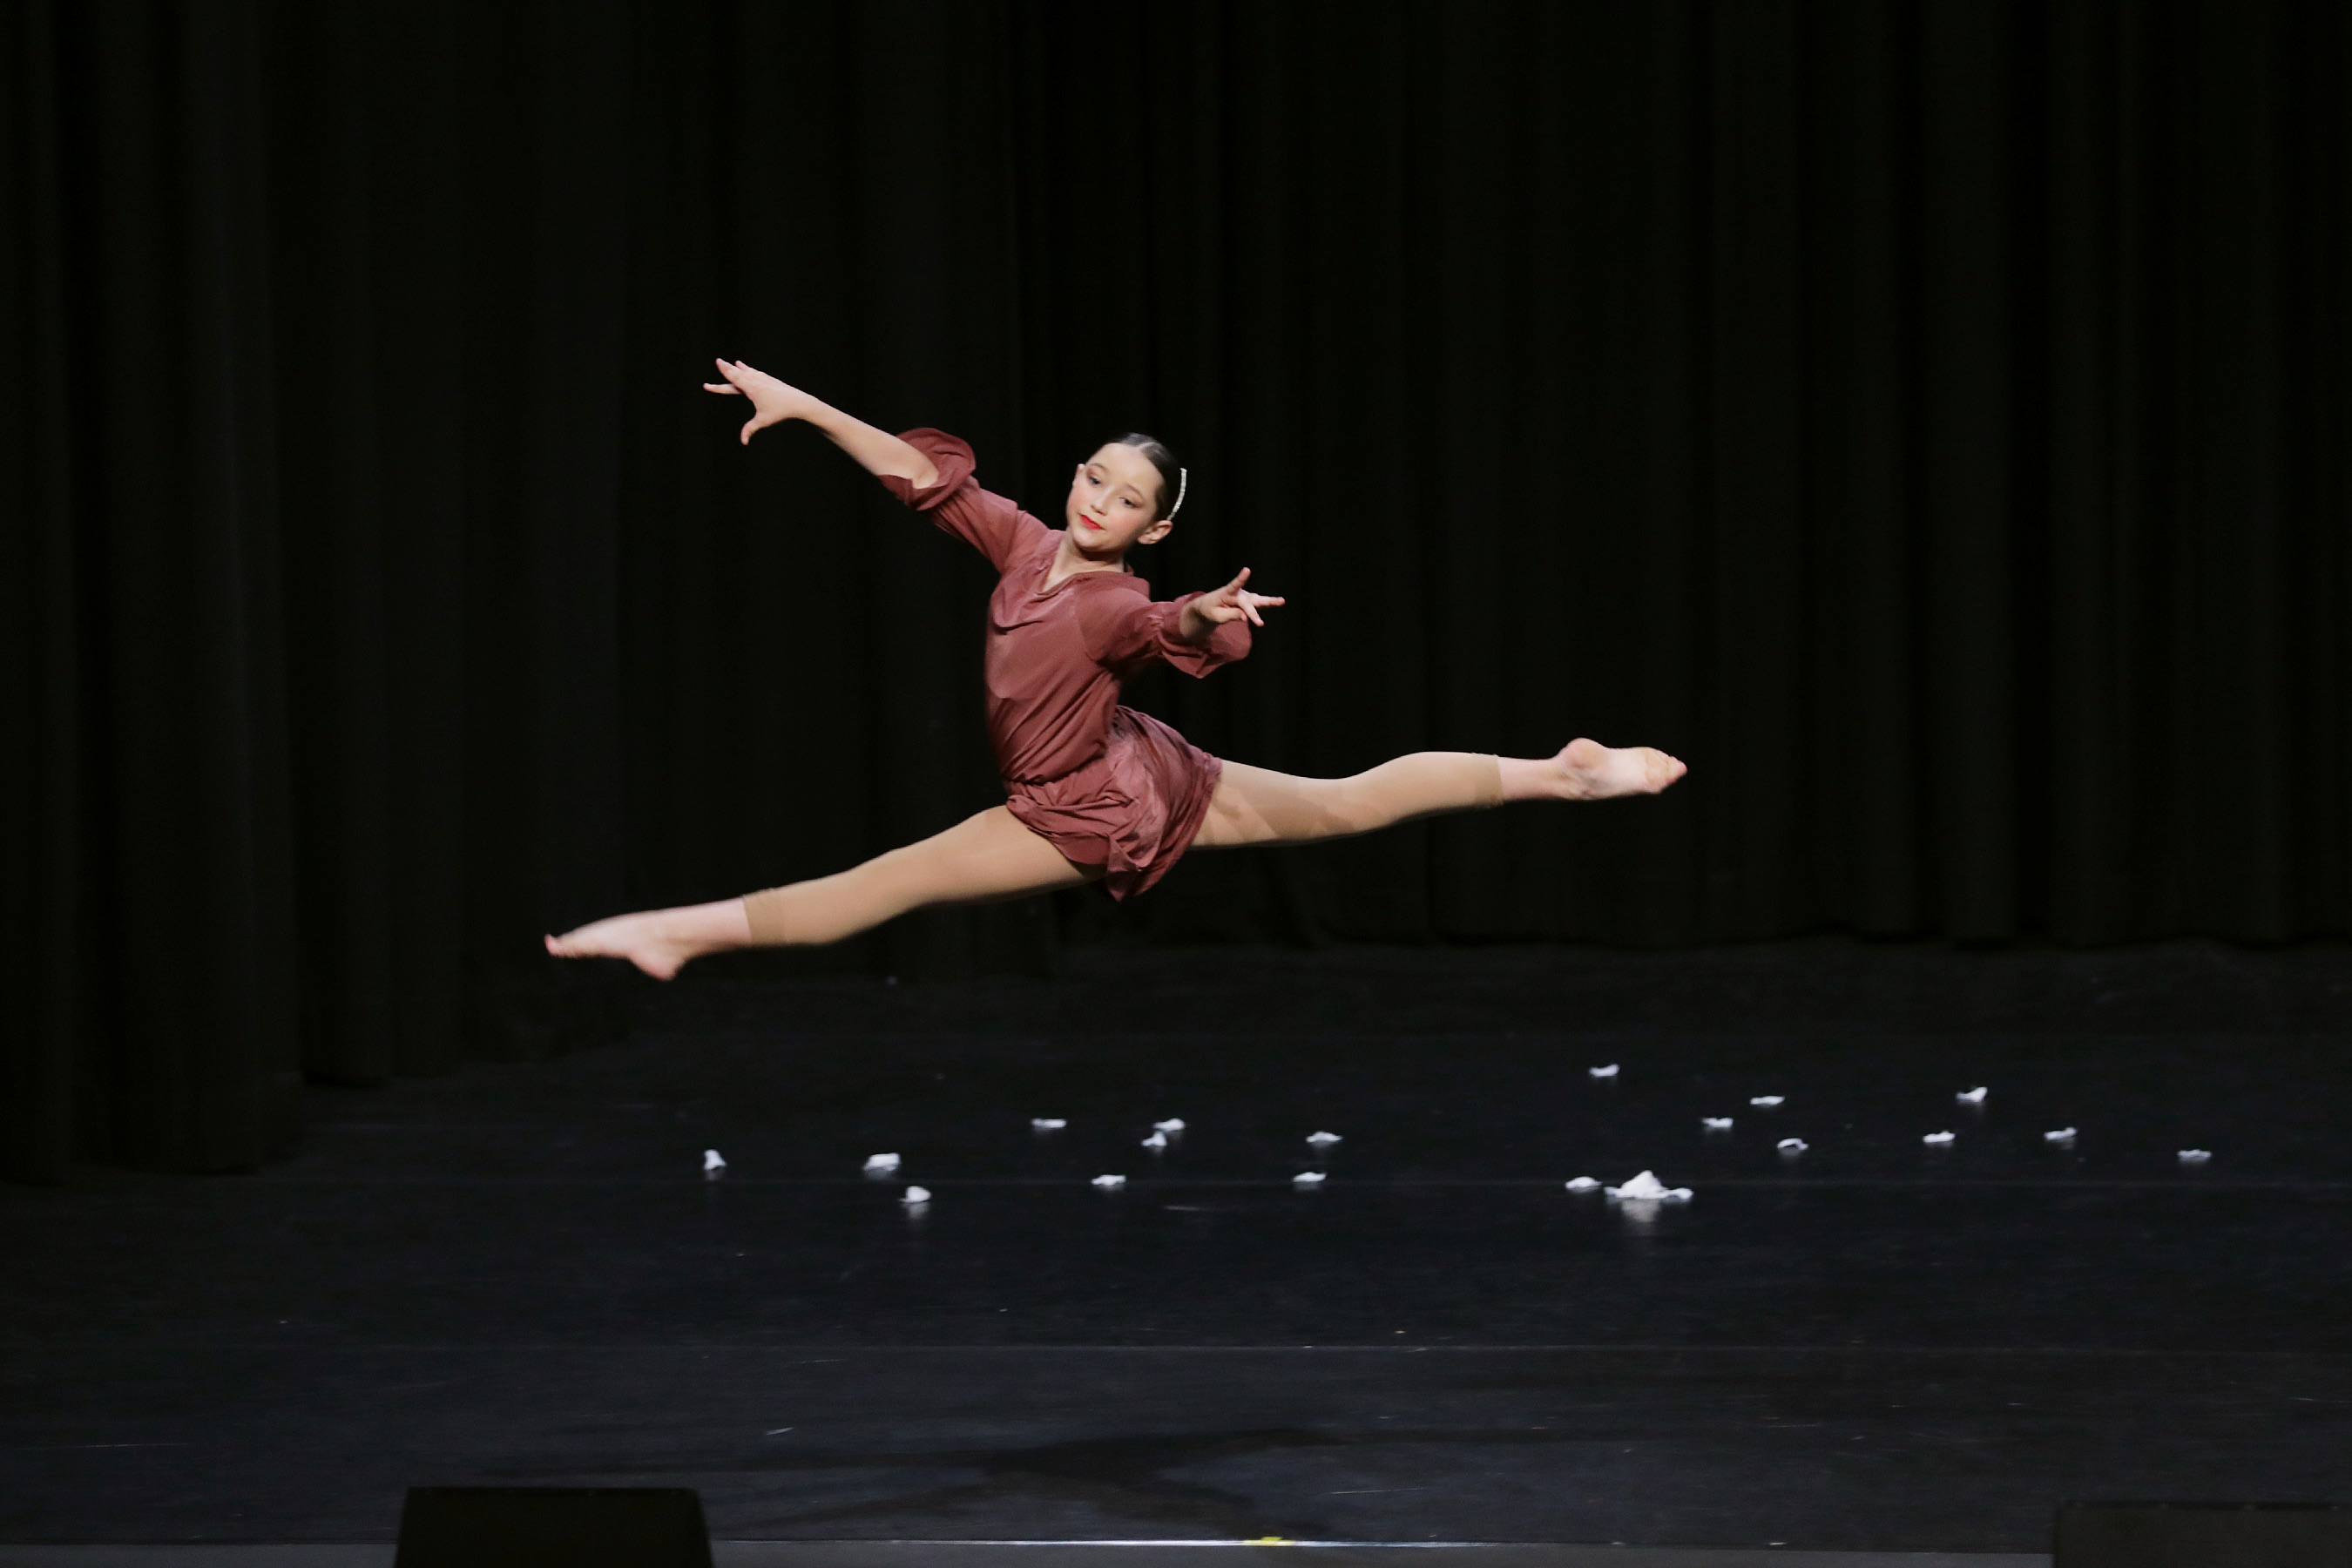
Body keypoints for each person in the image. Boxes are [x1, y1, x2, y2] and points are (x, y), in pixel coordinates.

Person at [546, 360, 1687, 979]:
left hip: (1078, 808)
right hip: (1143, 771)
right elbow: (923, 479)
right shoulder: (1025, 543)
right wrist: (807, 410)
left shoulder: (1114, 603)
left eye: (1127, 499)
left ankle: (677, 934)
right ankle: (1562, 773)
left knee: (888, 882)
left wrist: (1203, 612)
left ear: (1152, 529)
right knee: (1343, 804)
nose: (1099, 501)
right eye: (1095, 478)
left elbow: (1166, 628)